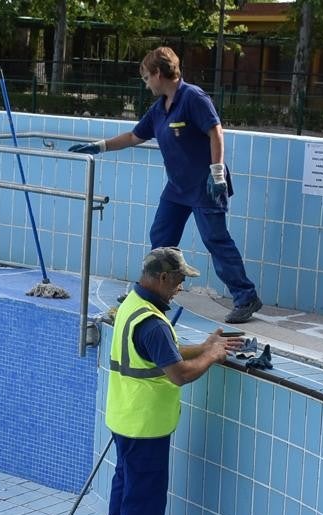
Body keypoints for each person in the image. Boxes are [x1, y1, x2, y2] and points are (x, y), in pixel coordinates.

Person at [70, 46, 263, 324]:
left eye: (146, 77)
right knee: (161, 239)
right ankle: (150, 293)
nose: (145, 83)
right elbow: (135, 136)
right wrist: (100, 146)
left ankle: (246, 297)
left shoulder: (192, 97)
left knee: (216, 241)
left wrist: (217, 172)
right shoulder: (159, 108)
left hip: (205, 185)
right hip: (177, 188)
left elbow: (215, 131)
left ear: (159, 74)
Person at [100, 247, 243, 515]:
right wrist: (212, 359)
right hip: (146, 424)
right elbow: (178, 373)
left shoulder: (131, 306)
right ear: (162, 278)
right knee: (145, 496)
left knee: (125, 486)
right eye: (179, 281)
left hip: (124, 417)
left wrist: (208, 346)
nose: (180, 288)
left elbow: (165, 351)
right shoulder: (152, 323)